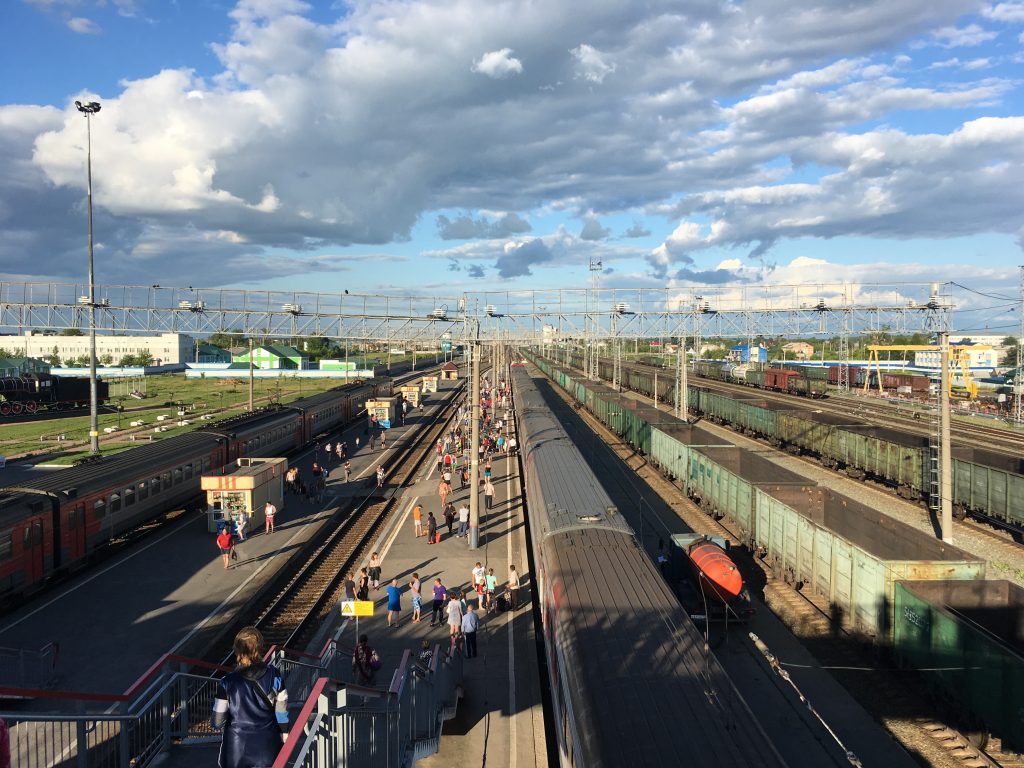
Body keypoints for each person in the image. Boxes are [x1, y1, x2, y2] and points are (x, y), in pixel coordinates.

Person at [212, 627, 288, 768]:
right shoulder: (274, 675)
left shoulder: (226, 682)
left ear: (237, 649)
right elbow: (281, 714)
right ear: (259, 648)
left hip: (236, 751)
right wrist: (284, 737)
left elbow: (217, 722)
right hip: (267, 747)